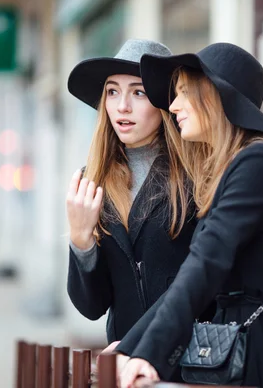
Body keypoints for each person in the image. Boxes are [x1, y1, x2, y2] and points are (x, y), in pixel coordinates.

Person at [115, 43, 263, 388]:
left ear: (215, 95)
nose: (172, 106)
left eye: (183, 93)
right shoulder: (235, 166)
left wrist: (148, 353)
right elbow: (193, 272)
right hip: (248, 350)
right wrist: (133, 346)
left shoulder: (259, 162)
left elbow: (207, 263)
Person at [65, 39, 203, 376]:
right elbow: (93, 306)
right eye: (112, 92)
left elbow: (205, 282)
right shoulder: (93, 180)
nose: (121, 106)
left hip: (191, 364)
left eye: (138, 92)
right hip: (126, 369)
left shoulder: (196, 176)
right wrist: (81, 240)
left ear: (165, 102)